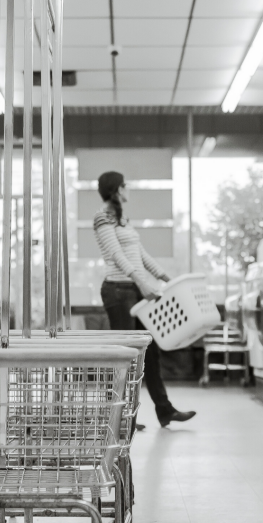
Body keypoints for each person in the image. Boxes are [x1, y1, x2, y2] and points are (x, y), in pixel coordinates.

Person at [93, 171, 196, 428]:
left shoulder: (123, 219)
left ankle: (165, 410)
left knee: (151, 353)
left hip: (135, 291)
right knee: (125, 357)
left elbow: (140, 254)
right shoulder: (102, 218)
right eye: (125, 185)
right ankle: (118, 418)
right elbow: (117, 255)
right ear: (117, 189)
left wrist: (167, 278)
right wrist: (141, 282)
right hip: (118, 291)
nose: (128, 189)